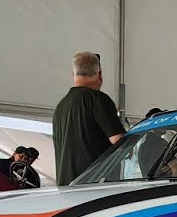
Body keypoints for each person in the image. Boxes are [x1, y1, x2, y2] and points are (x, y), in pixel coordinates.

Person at [52, 52, 125, 185]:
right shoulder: (98, 100)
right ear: (100, 74)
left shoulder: (60, 107)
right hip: (94, 187)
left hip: (66, 187)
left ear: (73, 74)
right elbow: (120, 142)